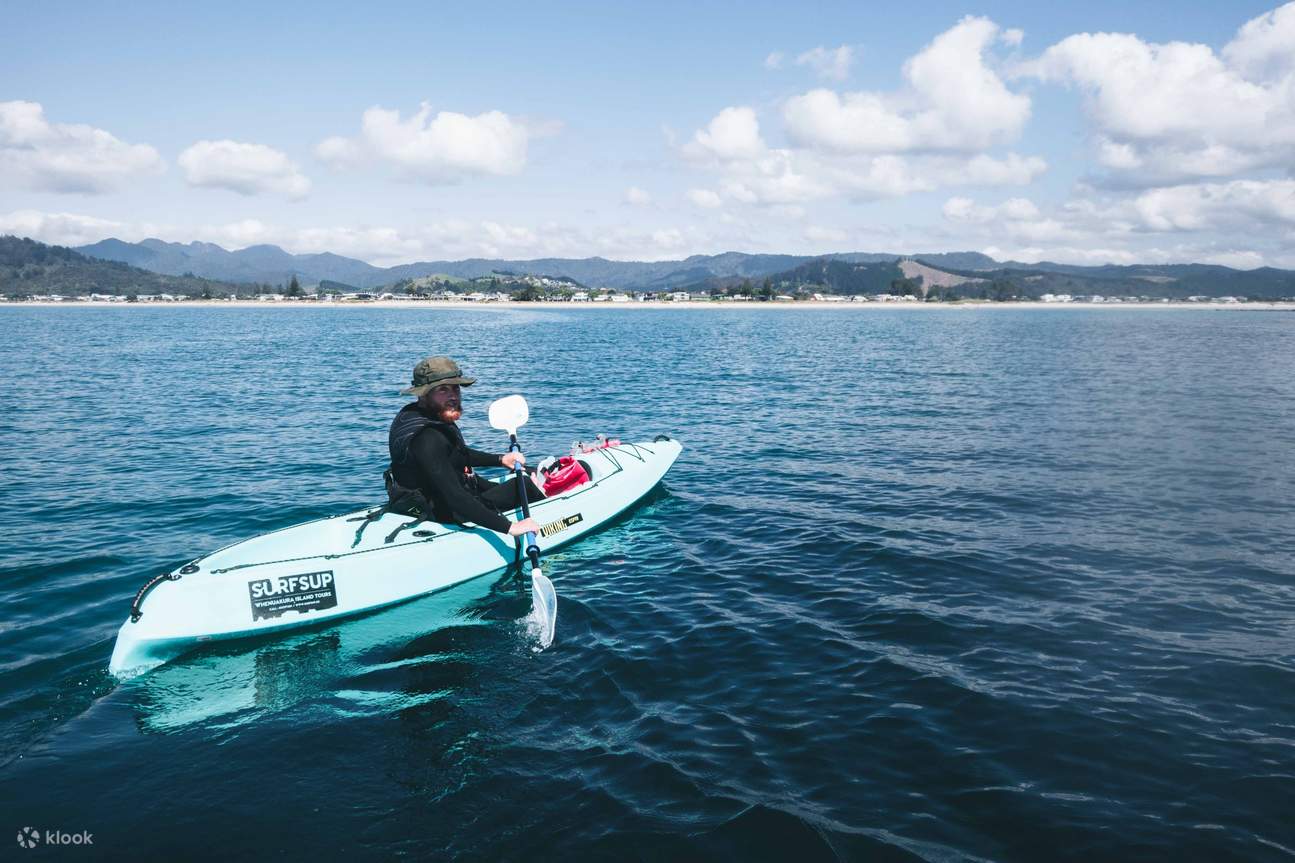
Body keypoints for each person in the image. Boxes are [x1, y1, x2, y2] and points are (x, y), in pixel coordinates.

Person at [386, 356, 543, 537]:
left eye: (455, 388)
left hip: (433, 496)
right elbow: (455, 498)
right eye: (443, 390)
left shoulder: (421, 415)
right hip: (441, 511)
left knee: (526, 476)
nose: (453, 395)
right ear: (423, 393)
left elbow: (456, 454)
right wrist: (511, 527)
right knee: (524, 485)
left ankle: (542, 487)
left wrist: (500, 460)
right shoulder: (427, 438)